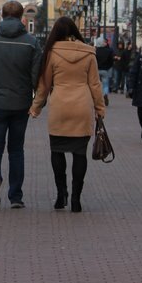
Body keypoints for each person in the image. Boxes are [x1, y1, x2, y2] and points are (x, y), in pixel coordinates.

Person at [0, 1, 43, 210]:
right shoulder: (31, 42)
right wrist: (32, 97)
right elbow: (36, 73)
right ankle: (16, 196)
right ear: (22, 17)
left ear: (2, 16)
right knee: (16, 149)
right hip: (21, 103)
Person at [30, 17, 104, 213]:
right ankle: (76, 199)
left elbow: (44, 85)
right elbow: (95, 84)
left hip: (59, 106)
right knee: (80, 154)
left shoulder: (52, 53)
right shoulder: (88, 53)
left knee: (57, 151)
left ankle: (61, 194)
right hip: (82, 106)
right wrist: (100, 109)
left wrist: (36, 107)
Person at [94, 36, 114, 106]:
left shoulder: (95, 51)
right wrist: (108, 67)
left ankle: (98, 98)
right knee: (105, 84)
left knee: (97, 85)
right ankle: (105, 94)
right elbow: (111, 61)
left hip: (97, 70)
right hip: (105, 70)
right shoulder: (108, 51)